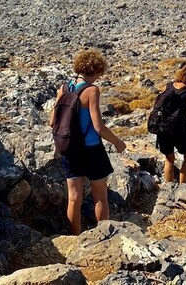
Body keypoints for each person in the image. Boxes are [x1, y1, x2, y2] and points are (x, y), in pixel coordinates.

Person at [50, 49, 126, 235]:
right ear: (98, 70)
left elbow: (53, 121)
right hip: (91, 149)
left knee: (74, 198)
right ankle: (104, 236)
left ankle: (75, 237)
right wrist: (117, 142)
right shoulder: (91, 91)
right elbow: (98, 126)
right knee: (100, 195)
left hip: (69, 148)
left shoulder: (65, 87)